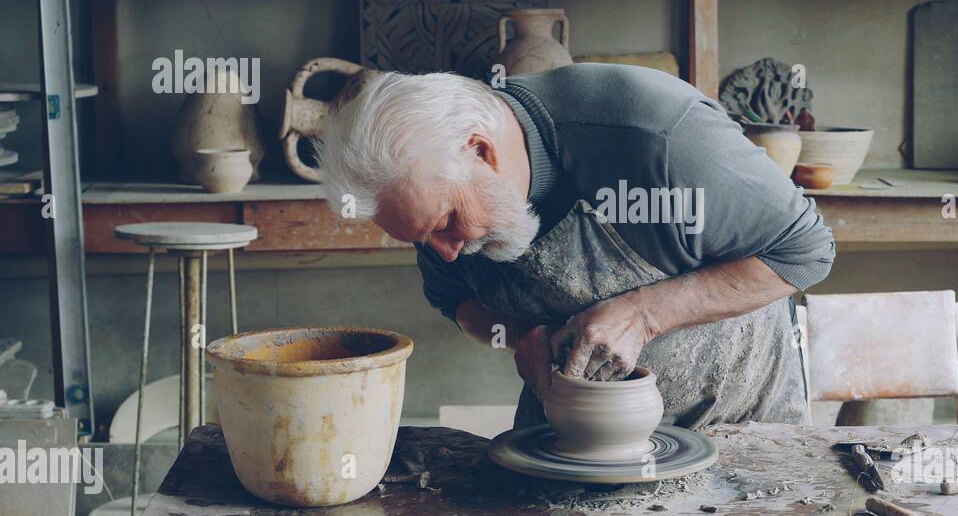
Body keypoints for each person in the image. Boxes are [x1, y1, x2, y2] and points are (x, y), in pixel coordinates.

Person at [315, 63, 835, 429]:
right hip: (570, 444)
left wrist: (644, 315)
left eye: (447, 224)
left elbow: (805, 251)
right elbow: (458, 302)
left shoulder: (656, 134)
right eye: (423, 239)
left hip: (739, 430)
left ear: (480, 151)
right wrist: (522, 338)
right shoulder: (426, 193)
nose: (443, 251)